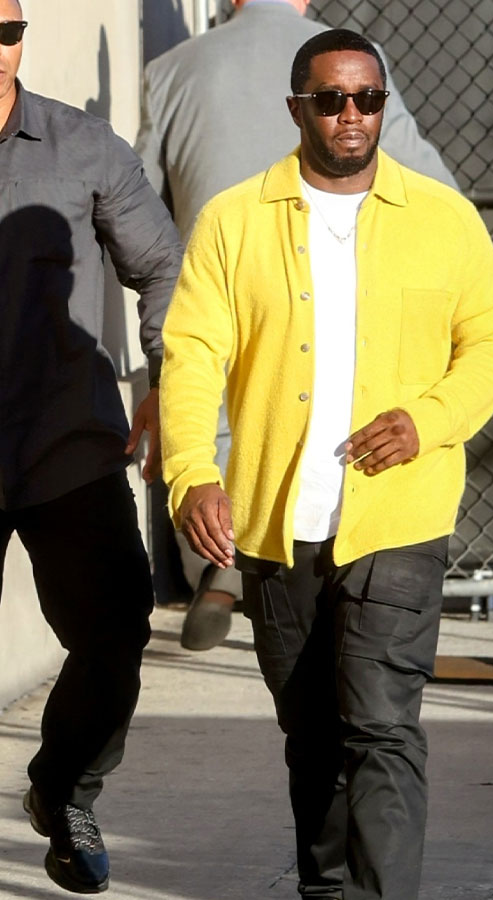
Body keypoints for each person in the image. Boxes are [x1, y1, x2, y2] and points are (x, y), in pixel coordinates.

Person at [160, 28, 493, 900]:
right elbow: (193, 352)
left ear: (383, 107)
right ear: (298, 109)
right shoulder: (234, 219)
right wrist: (188, 470)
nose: (352, 115)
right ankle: (329, 890)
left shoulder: (442, 217)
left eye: (367, 98)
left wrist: (427, 420)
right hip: (277, 525)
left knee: (382, 725)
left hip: (398, 518)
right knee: (312, 734)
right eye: (331, 99)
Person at [135, 0, 460, 652]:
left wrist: (159, 353)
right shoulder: (349, 65)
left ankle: (221, 568)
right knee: (315, 414)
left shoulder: (170, 70)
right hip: (324, 269)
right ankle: (322, 572)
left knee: (223, 416)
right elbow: (433, 182)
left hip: (218, 275)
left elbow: (140, 202)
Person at [0, 1, 183, 893]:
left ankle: (65, 788)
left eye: (6, 28)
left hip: (63, 439)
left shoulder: (82, 146)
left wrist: (164, 387)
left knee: (114, 630)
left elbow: (162, 267)